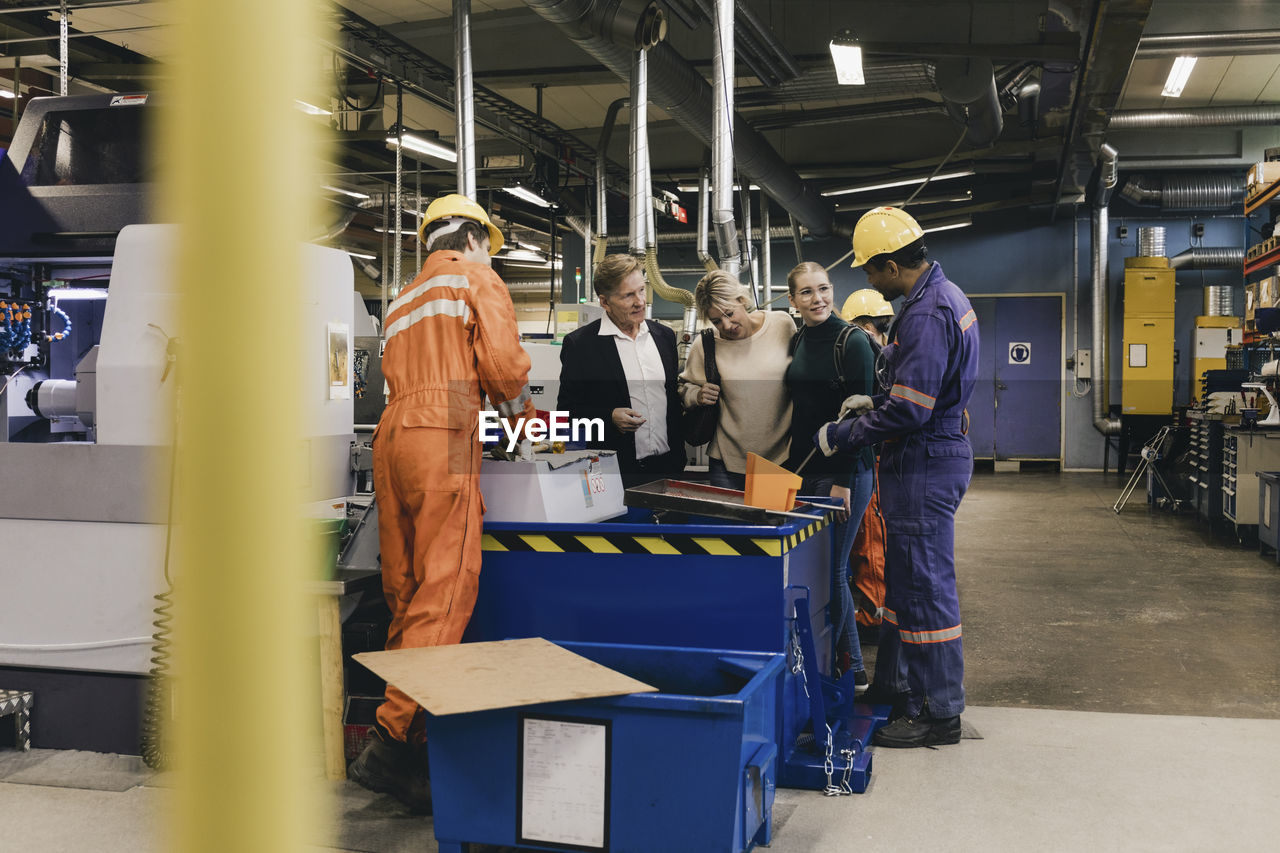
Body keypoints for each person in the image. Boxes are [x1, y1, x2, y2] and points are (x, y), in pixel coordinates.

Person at [349, 194, 537, 810]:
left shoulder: (404, 296)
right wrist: (530, 426)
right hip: (442, 433)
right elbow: (505, 372)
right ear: (475, 238)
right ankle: (392, 739)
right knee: (448, 583)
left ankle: (411, 742)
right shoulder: (477, 277)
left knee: (405, 590)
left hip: (392, 436)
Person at [814, 206, 978, 749]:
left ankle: (940, 712)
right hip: (928, 455)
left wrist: (848, 432)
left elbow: (912, 410)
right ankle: (899, 688)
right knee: (906, 584)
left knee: (926, 588)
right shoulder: (940, 296)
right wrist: (877, 399)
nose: (868, 281)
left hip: (926, 458)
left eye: (868, 270)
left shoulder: (927, 312)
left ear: (888, 264)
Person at [784, 262, 876, 686]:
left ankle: (826, 672)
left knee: (833, 572)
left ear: (832, 290)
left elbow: (860, 422)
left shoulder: (852, 341)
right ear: (793, 301)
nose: (817, 299)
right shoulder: (800, 339)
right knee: (823, 572)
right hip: (808, 471)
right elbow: (803, 415)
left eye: (822, 289)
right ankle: (854, 670)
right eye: (806, 292)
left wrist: (841, 478)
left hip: (847, 472)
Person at [558, 254, 685, 487]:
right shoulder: (581, 345)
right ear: (605, 302)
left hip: (668, 468)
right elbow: (567, 413)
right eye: (628, 295)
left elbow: (671, 400)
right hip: (616, 473)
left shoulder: (664, 337)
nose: (640, 302)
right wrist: (608, 417)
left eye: (641, 291)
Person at [678, 269, 794, 490]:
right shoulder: (705, 345)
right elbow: (683, 387)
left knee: (775, 523)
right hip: (727, 462)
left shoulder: (782, 325)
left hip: (781, 458)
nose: (727, 326)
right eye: (717, 321)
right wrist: (697, 395)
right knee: (730, 524)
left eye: (729, 314)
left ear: (742, 300)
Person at [840, 289, 895, 632]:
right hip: (884, 459)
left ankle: (874, 612)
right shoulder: (886, 358)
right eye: (865, 325)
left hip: (877, 459)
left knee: (871, 540)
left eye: (873, 325)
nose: (869, 331)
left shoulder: (882, 359)